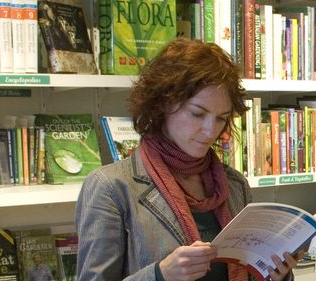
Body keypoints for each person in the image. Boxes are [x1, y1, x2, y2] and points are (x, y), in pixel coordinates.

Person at [75, 38, 298, 281]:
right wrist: (160, 275)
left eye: (221, 118)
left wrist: (277, 274)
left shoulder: (234, 184)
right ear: (163, 104)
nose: (210, 130)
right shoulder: (110, 187)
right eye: (197, 114)